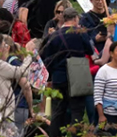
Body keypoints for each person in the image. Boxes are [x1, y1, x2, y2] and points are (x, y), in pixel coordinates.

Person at [39, 7, 97, 137]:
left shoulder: (53, 35)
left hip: (59, 77)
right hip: (78, 74)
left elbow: (46, 58)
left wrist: (51, 76)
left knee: (58, 112)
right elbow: (89, 50)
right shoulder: (80, 32)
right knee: (77, 111)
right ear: (76, 18)